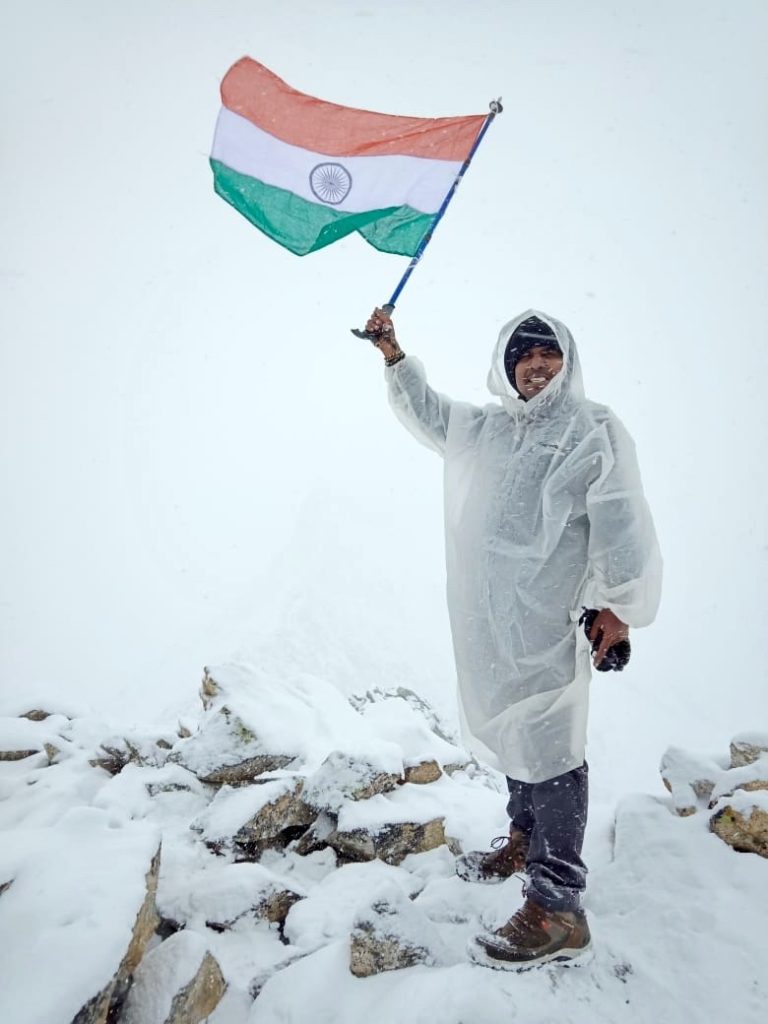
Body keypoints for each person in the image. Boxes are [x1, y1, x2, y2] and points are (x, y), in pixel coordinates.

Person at [365, 306, 662, 970]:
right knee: (518, 734)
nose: (535, 362)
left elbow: (621, 519)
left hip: (552, 621)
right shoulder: (488, 429)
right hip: (493, 625)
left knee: (554, 747)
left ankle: (559, 907)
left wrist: (617, 605)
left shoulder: (593, 428)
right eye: (523, 353)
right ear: (507, 365)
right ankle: (523, 841)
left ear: (567, 362)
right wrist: (393, 355)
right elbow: (432, 415)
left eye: (547, 351)